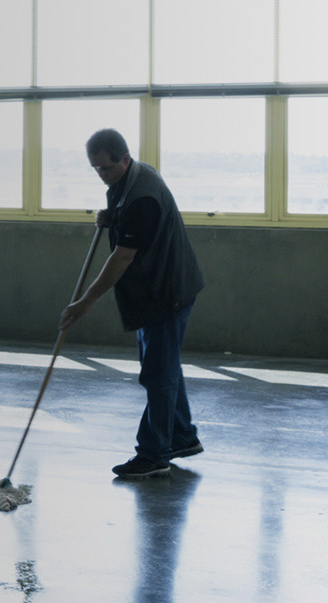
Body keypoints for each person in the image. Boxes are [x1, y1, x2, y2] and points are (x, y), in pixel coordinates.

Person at [59, 129, 205, 478]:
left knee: (157, 372)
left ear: (124, 159)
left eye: (106, 169)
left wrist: (85, 302)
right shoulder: (140, 173)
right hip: (160, 289)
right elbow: (122, 205)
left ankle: (154, 454)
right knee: (163, 366)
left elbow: (121, 259)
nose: (102, 176)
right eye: (95, 169)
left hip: (167, 292)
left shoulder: (142, 197)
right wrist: (111, 216)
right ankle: (182, 436)